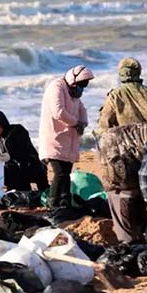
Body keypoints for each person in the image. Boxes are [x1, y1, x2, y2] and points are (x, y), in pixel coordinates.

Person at [38, 65, 94, 209]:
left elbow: (81, 108)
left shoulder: (73, 93)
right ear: (73, 80)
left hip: (69, 139)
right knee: (60, 172)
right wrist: (76, 123)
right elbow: (58, 112)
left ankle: (65, 202)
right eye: (80, 85)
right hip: (54, 137)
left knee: (66, 173)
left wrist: (83, 122)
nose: (81, 89)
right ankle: (52, 203)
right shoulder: (57, 87)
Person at [98, 57, 147, 131]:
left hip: (125, 136)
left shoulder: (114, 95)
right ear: (139, 72)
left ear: (121, 73)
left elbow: (104, 124)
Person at [0, 111, 49, 192]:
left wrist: (10, 155)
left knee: (43, 189)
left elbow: (24, 150)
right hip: (12, 171)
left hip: (30, 166)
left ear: (2, 123)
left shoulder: (17, 130)